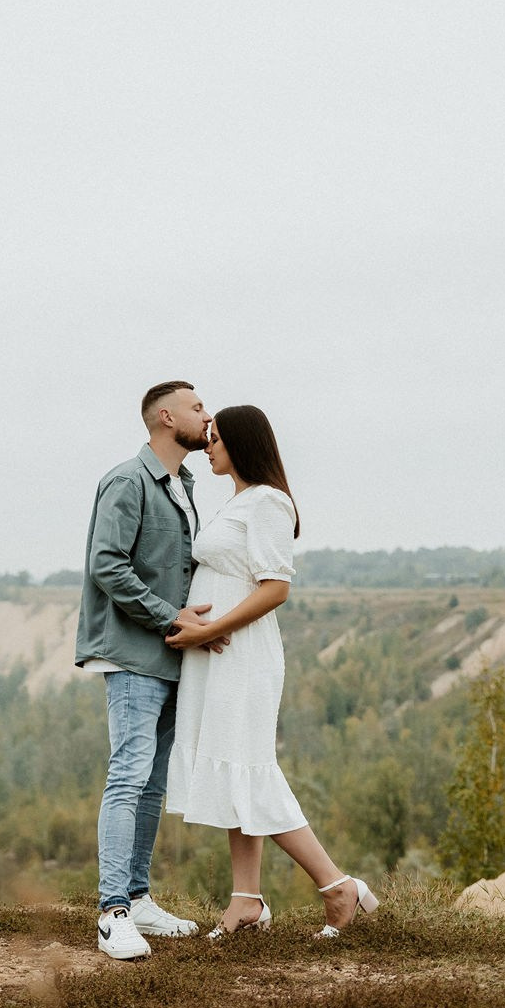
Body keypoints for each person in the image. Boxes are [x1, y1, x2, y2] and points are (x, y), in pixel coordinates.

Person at [165, 405, 378, 938]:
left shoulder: (267, 503)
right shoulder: (238, 501)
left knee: (251, 770)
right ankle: (246, 900)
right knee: (235, 769)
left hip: (242, 657)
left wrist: (211, 630)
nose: (206, 446)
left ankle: (337, 887)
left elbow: (276, 587)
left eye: (214, 439)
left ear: (241, 443)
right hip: (215, 656)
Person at [76, 381, 228, 960]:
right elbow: (107, 566)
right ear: (165, 417)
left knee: (153, 783)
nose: (206, 415)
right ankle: (112, 912)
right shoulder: (127, 480)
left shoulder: (185, 486)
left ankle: (138, 899)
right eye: (196, 407)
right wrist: (174, 618)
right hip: (135, 654)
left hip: (172, 656)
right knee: (129, 774)